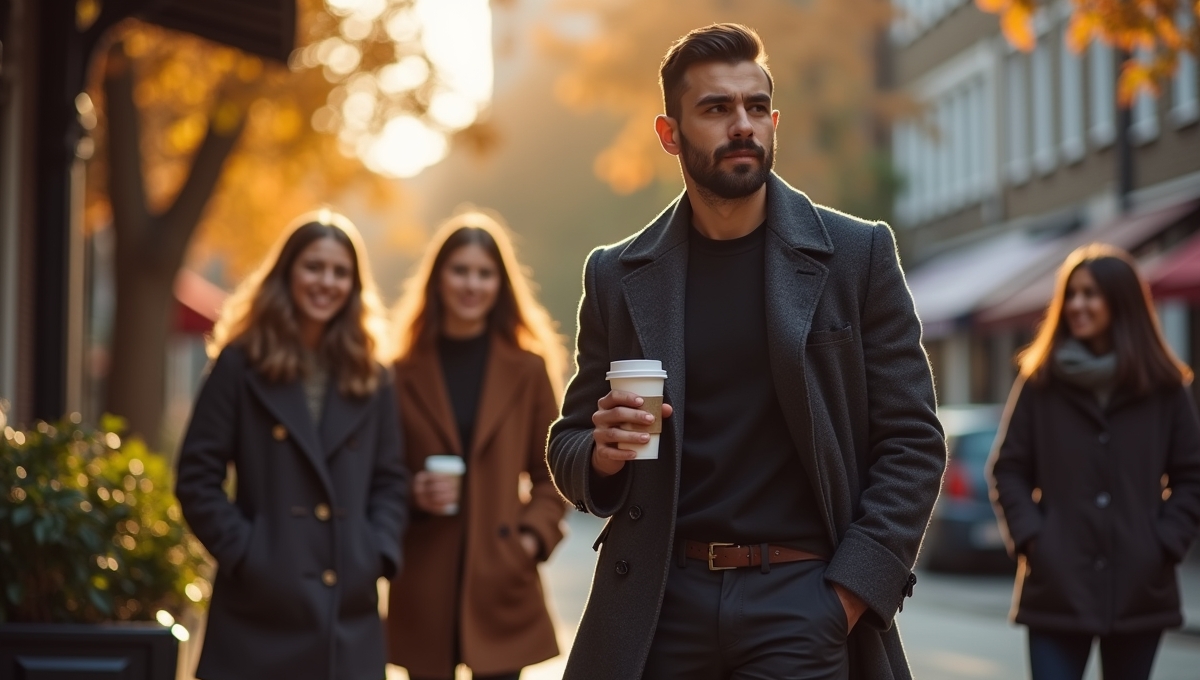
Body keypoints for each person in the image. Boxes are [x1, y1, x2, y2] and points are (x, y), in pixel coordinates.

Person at [547, 23, 946, 680]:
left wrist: (846, 597)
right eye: (715, 108)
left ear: (773, 121)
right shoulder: (617, 274)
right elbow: (567, 442)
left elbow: (913, 441)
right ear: (669, 133)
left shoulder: (856, 255)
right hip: (660, 603)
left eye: (756, 107)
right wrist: (601, 453)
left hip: (801, 601)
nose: (742, 125)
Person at [175, 212, 408, 680]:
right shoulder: (239, 364)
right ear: (287, 273)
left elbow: (391, 479)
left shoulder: (372, 373)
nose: (327, 282)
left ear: (354, 285)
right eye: (313, 267)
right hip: (257, 613)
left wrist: (374, 552)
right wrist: (249, 552)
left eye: (340, 272)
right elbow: (197, 476)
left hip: (347, 611)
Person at [988, 243, 1200, 680]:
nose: (1076, 305)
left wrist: (1164, 544)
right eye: (1071, 294)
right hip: (1057, 587)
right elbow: (1008, 470)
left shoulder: (1164, 387)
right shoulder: (1040, 381)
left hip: (1140, 587)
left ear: (1122, 302)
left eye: (1090, 294)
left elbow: (1191, 476)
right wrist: (1035, 540)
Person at [386, 210, 569, 680]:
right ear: (438, 279)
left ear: (500, 284)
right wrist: (413, 492)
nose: (472, 284)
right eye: (460, 270)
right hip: (424, 580)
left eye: (485, 273)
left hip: (502, 577)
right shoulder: (398, 372)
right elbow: (378, 471)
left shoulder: (527, 369)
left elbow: (553, 472)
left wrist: (530, 539)